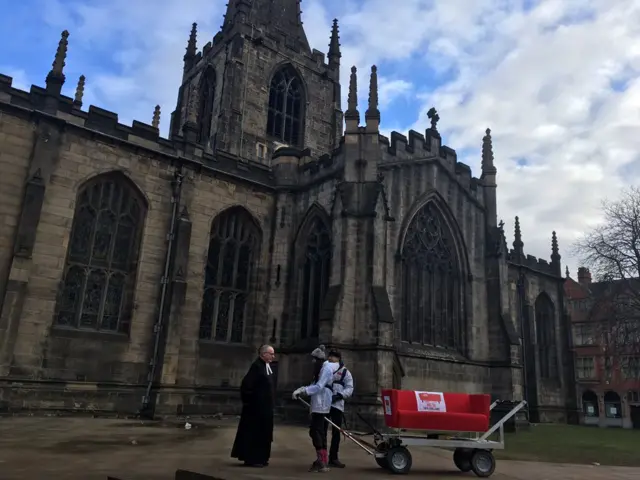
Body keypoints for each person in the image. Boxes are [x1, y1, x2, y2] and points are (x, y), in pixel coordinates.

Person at [292, 345, 339, 473]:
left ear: (319, 359)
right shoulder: (320, 370)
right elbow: (314, 385)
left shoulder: (326, 369)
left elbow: (318, 386)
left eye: (314, 359)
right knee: (318, 431)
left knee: (316, 431)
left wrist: (303, 391)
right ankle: (322, 460)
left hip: (322, 403)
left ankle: (322, 461)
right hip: (319, 403)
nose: (312, 362)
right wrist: (302, 389)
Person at [231, 344, 276, 468]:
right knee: (255, 434)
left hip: (265, 409)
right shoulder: (256, 367)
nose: (273, 356)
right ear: (263, 354)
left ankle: (262, 457)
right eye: (271, 354)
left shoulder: (267, 367)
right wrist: (252, 403)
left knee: (264, 434)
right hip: (256, 410)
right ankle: (252, 458)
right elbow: (246, 386)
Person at [327, 349, 354, 468]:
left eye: (333, 357)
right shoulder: (325, 369)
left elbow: (349, 388)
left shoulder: (345, 373)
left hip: (337, 405)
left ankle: (333, 458)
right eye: (329, 356)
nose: (330, 358)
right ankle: (321, 457)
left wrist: (340, 395)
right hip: (324, 404)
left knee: (336, 432)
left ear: (338, 359)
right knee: (320, 431)